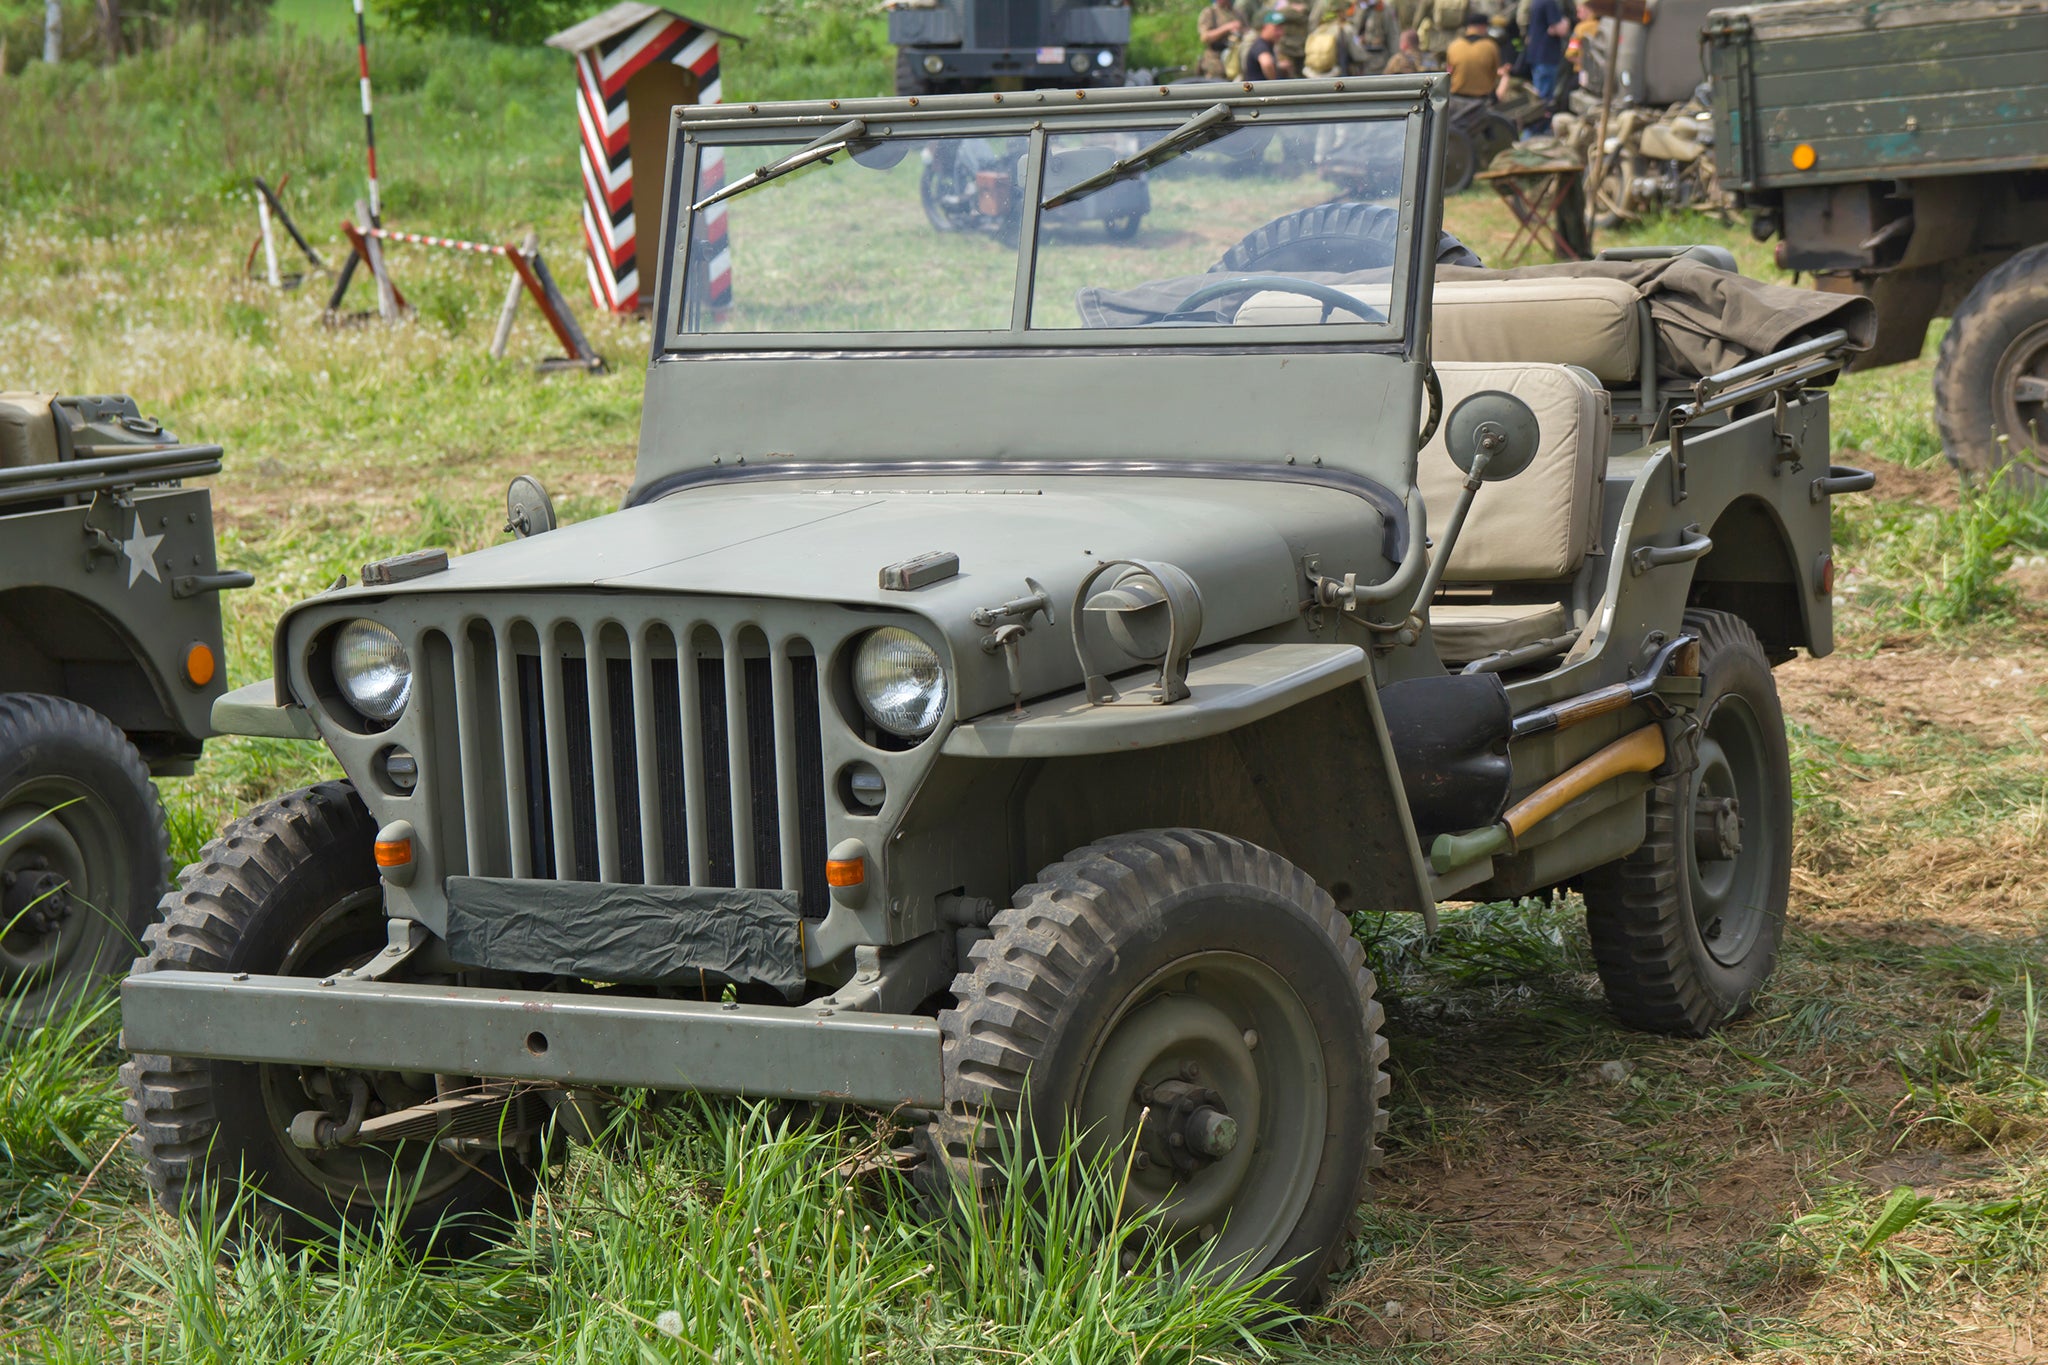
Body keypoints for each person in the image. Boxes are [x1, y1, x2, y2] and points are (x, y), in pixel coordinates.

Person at [1445, 9, 1507, 100]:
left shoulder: (1453, 46)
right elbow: (1494, 74)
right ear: (1483, 27)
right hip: (1482, 99)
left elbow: (1450, 72)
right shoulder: (1491, 46)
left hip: (1456, 97)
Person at [1522, 0, 1570, 99]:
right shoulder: (1549, 3)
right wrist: (1566, 21)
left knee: (1537, 92)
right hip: (1547, 54)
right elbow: (1561, 30)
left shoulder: (1536, 2)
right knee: (1543, 98)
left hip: (1536, 53)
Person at [1197, 0, 1244, 77]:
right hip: (1216, 62)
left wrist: (1240, 30)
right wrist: (1226, 28)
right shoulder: (1210, 12)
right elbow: (1205, 37)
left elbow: (1248, 31)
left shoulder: (1237, 12)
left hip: (1236, 60)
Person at [1244, 12, 1291, 79]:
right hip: (1257, 88)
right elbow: (1266, 63)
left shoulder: (1270, 45)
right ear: (1265, 28)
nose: (1280, 32)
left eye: (1281, 28)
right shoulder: (1260, 45)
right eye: (1276, 28)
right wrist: (1274, 84)